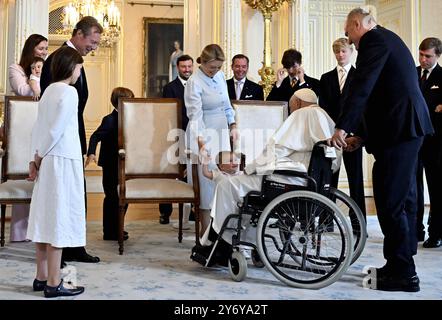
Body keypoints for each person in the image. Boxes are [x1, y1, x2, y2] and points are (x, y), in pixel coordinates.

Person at [329, 7, 433, 292]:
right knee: (400, 197)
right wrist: (360, 135)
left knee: (391, 200)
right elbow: (379, 95)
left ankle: (404, 274)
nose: (347, 37)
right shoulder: (385, 40)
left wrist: (342, 128)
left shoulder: (374, 41)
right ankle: (400, 264)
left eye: (348, 31)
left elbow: (363, 88)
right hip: (403, 128)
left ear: (357, 24)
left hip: (401, 129)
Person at [196, 89, 338, 254]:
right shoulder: (326, 117)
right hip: (311, 180)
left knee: (228, 184)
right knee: (239, 185)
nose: (291, 111)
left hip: (288, 179)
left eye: (291, 107)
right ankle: (241, 238)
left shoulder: (302, 115)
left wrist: (252, 167)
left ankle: (222, 240)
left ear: (298, 102)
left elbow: (276, 149)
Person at [41, 16, 103, 266]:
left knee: (77, 191)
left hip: (74, 133)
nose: (94, 47)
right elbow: (50, 104)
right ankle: (60, 249)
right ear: (78, 34)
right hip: (60, 139)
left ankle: (75, 245)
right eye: (92, 41)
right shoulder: (58, 58)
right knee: (63, 192)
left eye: (97, 43)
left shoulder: (76, 60)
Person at [27, 46, 86, 298]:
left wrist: (35, 157)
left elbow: (38, 127)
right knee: (59, 219)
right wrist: (40, 156)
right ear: (71, 68)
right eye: (80, 68)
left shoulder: (48, 89)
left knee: (45, 217)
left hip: (48, 160)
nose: (80, 73)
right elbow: (56, 129)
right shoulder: (70, 92)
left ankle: (40, 277)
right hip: (63, 160)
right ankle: (54, 282)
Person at [184, 43, 238, 236]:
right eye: (212, 68)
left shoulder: (220, 76)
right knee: (206, 186)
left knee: (221, 181)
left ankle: (220, 231)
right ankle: (205, 234)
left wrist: (233, 124)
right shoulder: (194, 82)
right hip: (203, 134)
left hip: (221, 133)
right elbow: (195, 116)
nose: (215, 71)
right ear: (203, 63)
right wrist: (202, 144)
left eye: (219, 67)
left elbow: (226, 104)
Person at [6, 33, 48, 243]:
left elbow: (44, 94)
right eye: (41, 48)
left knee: (40, 178)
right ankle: (20, 233)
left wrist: (39, 75)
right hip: (20, 128)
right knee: (22, 175)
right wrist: (34, 74)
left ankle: (39, 231)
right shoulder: (16, 68)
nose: (44, 53)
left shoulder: (46, 70)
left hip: (39, 125)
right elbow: (26, 92)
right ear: (31, 48)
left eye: (46, 49)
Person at [319, 38, 366, 219]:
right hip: (332, 136)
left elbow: (362, 108)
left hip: (352, 137)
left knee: (356, 181)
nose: (340, 55)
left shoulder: (359, 77)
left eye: (344, 51)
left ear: (351, 52)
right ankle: (326, 220)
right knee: (330, 180)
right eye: (337, 51)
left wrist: (354, 134)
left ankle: (357, 222)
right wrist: (332, 133)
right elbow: (323, 108)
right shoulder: (326, 78)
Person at [85, 87, 135, 241]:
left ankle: (118, 227)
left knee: (124, 196)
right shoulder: (110, 119)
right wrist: (91, 153)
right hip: (110, 164)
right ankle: (109, 232)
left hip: (126, 164)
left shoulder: (133, 118)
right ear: (119, 102)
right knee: (111, 197)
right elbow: (95, 137)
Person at [159, 54, 194, 227]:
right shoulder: (170, 87)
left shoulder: (196, 85)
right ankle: (165, 213)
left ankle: (191, 212)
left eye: (189, 66)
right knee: (170, 173)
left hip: (194, 135)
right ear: (178, 68)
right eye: (183, 67)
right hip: (175, 134)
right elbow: (166, 113)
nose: (187, 70)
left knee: (192, 173)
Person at [416, 37, 442, 247]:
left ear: (438, 56)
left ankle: (436, 233)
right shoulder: (412, 74)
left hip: (436, 143)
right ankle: (416, 230)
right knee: (413, 188)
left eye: (428, 56)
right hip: (414, 141)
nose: (423, 60)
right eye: (421, 55)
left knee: (436, 189)